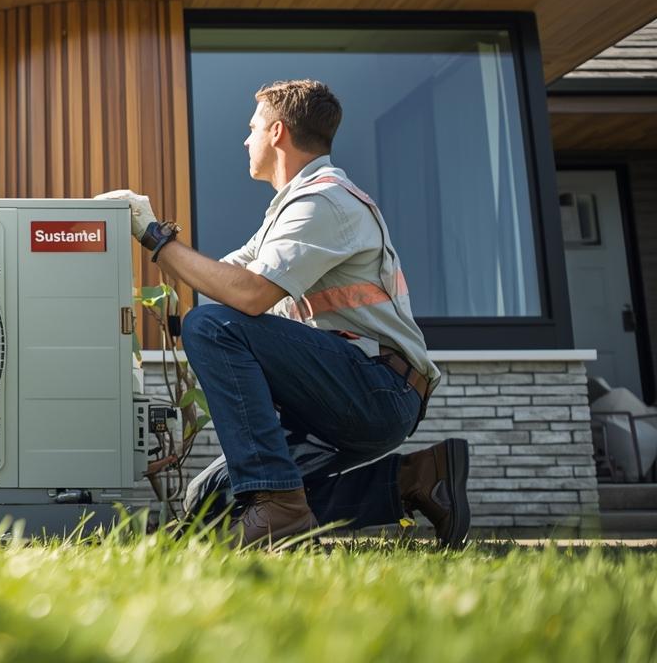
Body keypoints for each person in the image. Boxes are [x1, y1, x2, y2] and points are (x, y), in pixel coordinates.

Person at [98, 79, 470, 548]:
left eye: (252, 127)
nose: (245, 139)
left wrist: (156, 237)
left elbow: (248, 297)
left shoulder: (325, 202)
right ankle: (415, 481)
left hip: (378, 387)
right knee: (209, 502)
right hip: (338, 389)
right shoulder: (287, 212)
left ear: (276, 133)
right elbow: (222, 285)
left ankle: (279, 507)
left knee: (212, 329)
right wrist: (144, 244)